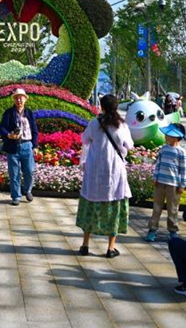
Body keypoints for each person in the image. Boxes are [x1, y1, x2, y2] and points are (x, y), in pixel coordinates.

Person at [76, 94, 135, 258]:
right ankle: (110, 248)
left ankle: (85, 244)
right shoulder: (121, 126)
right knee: (113, 208)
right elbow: (129, 145)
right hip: (114, 172)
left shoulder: (95, 123)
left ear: (101, 107)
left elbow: (84, 139)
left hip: (95, 171)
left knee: (90, 205)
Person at [146, 123, 186, 242]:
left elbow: (183, 170)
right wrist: (155, 177)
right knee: (157, 207)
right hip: (160, 182)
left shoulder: (181, 152)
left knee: (173, 208)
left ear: (175, 137)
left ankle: (173, 230)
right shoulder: (164, 149)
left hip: (173, 185)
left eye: (168, 134)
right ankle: (152, 229)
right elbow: (158, 164)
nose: (165, 136)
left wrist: (182, 185)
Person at [0, 88, 39, 206]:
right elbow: (2, 128)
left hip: (27, 145)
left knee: (29, 170)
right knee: (14, 173)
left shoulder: (29, 113)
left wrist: (35, 146)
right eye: (17, 97)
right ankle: (16, 196)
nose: (19, 99)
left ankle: (27, 190)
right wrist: (8, 135)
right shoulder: (8, 113)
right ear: (14, 100)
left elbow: (34, 130)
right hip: (13, 146)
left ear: (25, 99)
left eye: (21, 97)